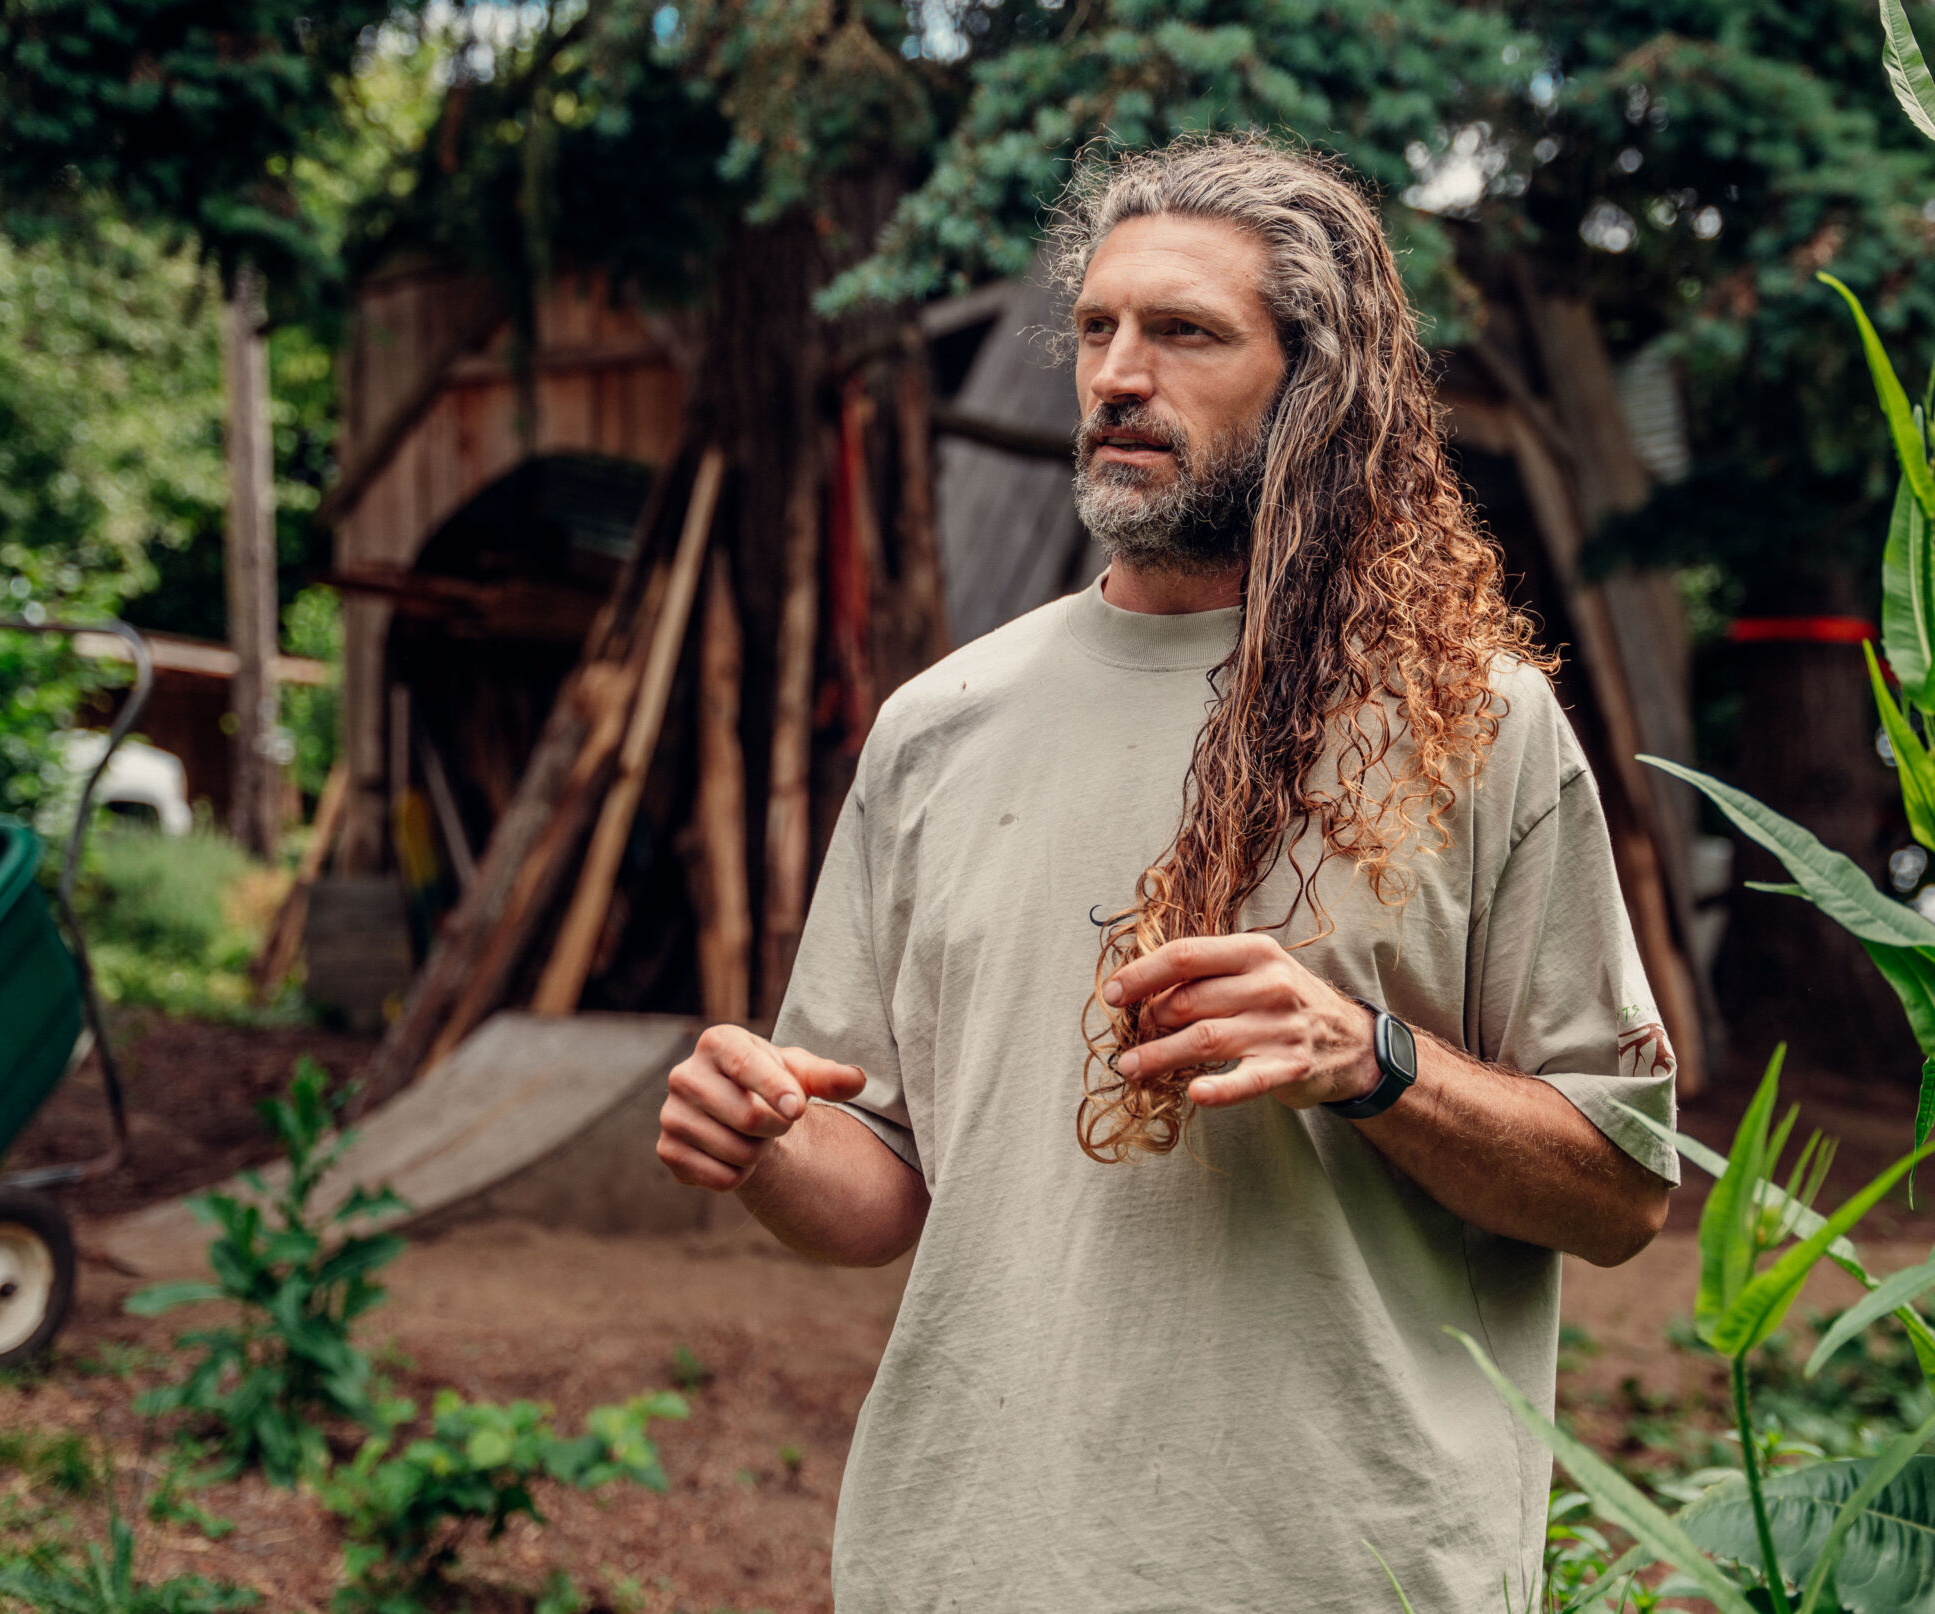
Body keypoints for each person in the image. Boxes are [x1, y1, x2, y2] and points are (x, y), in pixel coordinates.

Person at [657, 133, 1678, 1613]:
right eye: (1096, 329)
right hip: (975, 1564)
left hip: (1341, 1573)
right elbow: (878, 1189)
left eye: (1185, 332)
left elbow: (1620, 1192)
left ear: (1316, 383)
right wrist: (761, 1138)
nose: (1117, 376)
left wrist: (1372, 1059)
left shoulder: (1473, 722)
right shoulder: (940, 726)